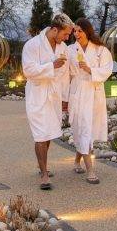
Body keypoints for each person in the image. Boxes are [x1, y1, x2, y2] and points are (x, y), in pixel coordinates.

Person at [22, 13, 74, 190]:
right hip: (37, 95)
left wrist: (65, 98)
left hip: (55, 95)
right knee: (40, 134)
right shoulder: (32, 45)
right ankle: (44, 174)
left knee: (49, 132)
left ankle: (41, 165)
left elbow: (65, 75)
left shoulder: (63, 48)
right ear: (54, 30)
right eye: (65, 34)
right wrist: (52, 65)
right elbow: (28, 71)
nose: (67, 38)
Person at [67, 18, 113, 184]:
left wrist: (90, 70)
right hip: (78, 93)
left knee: (88, 130)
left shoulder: (101, 50)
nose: (76, 34)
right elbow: (66, 74)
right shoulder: (70, 50)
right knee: (83, 128)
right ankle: (90, 171)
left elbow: (107, 70)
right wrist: (64, 97)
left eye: (80, 30)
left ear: (87, 31)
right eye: (75, 31)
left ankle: (76, 161)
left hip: (94, 93)